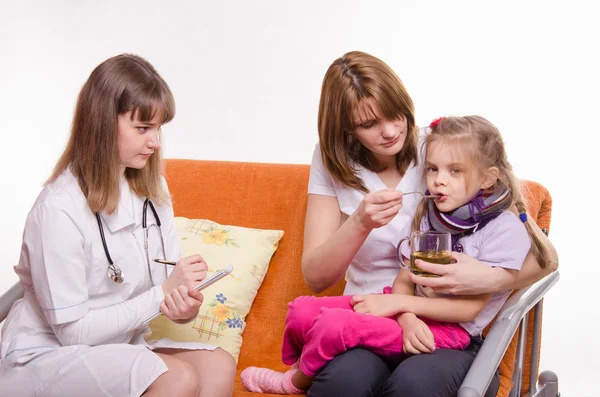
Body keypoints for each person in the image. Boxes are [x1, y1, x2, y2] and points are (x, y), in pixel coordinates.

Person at [248, 51, 558, 397]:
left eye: (396, 114)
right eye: (369, 124)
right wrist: (360, 223)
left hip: (441, 320)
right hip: (371, 311)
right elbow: (317, 278)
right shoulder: (330, 159)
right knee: (343, 382)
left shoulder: (440, 149)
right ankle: (298, 374)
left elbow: (544, 256)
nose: (391, 131)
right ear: (346, 129)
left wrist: (489, 277)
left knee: (415, 384)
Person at [0, 54, 236, 397]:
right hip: (47, 354)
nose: (155, 142)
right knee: (179, 377)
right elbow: (74, 333)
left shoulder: (154, 194)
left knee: (219, 364)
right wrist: (161, 295)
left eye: (158, 129)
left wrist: (182, 306)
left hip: (115, 347)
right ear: (102, 124)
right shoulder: (58, 209)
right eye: (143, 128)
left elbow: (165, 291)